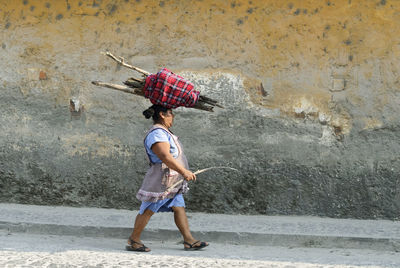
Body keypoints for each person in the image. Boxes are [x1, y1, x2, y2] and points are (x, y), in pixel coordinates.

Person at [126, 104, 209, 252]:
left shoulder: (165, 132)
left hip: (173, 180)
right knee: (148, 209)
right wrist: (184, 171)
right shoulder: (157, 133)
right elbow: (164, 156)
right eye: (170, 113)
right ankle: (134, 239)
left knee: (179, 208)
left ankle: (189, 240)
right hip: (161, 181)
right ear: (162, 115)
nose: (173, 116)